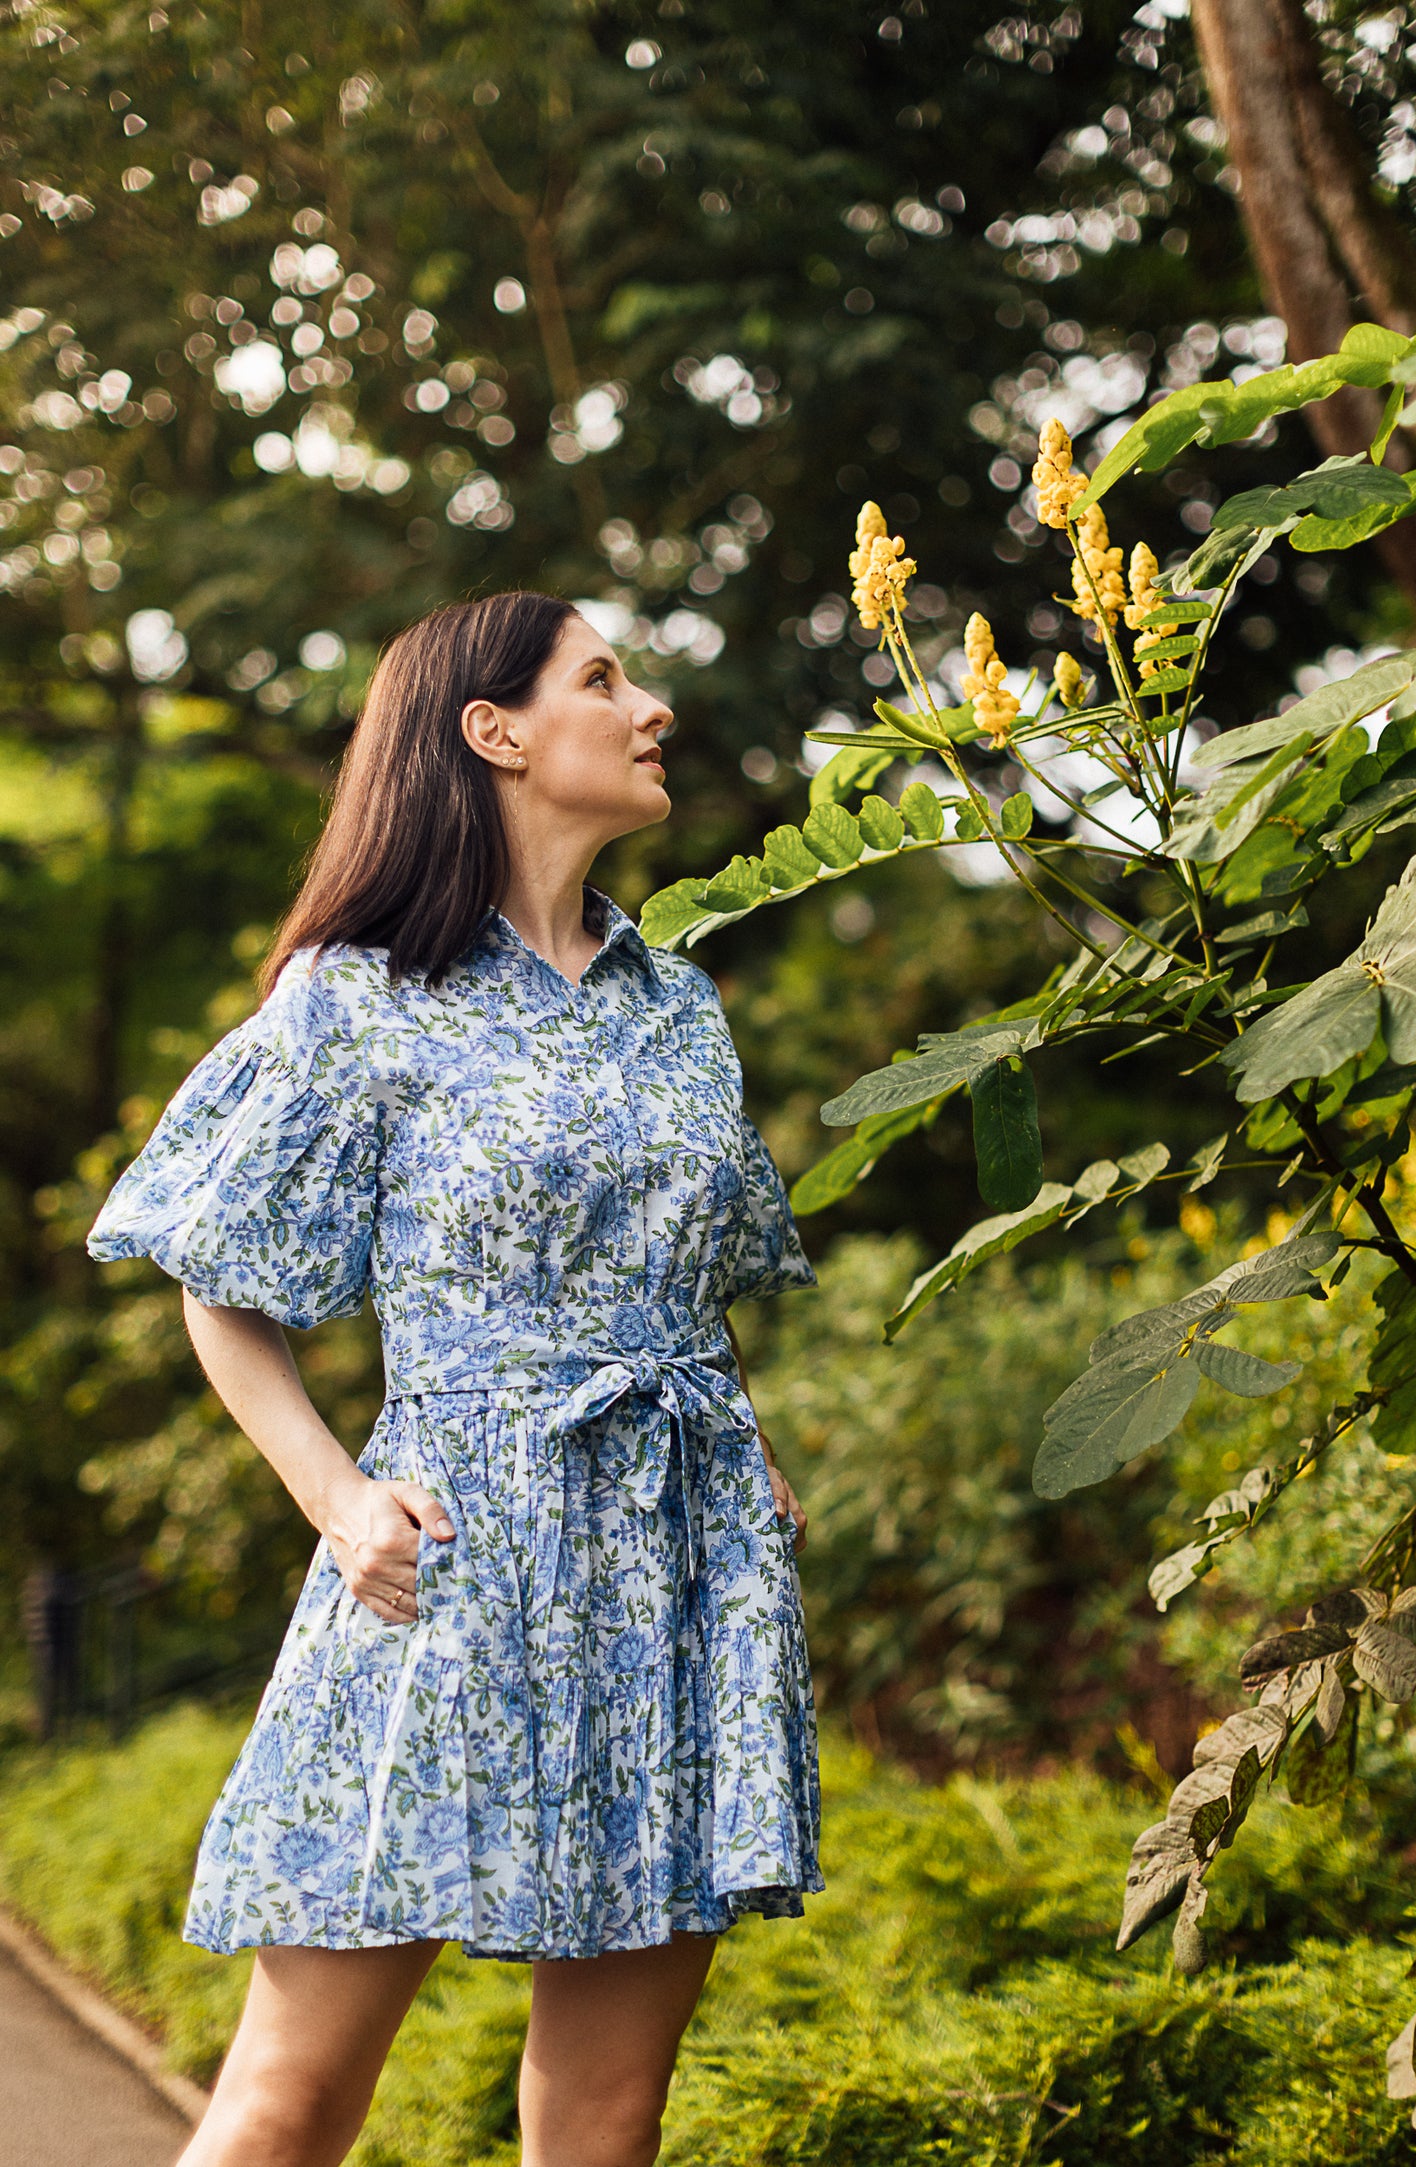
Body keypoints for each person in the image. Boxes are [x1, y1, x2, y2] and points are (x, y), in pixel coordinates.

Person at [87, 592, 822, 2167]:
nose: (652, 711)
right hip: (452, 1561)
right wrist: (336, 1498)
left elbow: (684, 1269)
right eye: (602, 681)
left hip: (674, 1561)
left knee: (608, 2119)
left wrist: (738, 1440)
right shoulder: (358, 996)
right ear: (493, 733)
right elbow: (220, 1284)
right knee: (290, 2101)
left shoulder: (675, 1007)